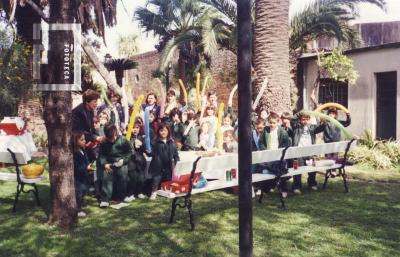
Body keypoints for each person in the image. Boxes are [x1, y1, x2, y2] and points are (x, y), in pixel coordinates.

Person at [97, 124, 133, 207]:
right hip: (109, 163)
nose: (112, 140)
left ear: (116, 133)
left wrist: (123, 160)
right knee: (107, 178)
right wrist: (105, 164)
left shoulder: (123, 140)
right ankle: (105, 199)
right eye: (110, 139)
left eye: (113, 137)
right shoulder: (104, 142)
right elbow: (101, 155)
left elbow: (129, 153)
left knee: (122, 177)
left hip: (121, 162)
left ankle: (121, 197)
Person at [291, 112, 325, 194]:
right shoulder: (296, 127)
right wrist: (301, 113)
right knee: (296, 170)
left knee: (313, 169)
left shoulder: (312, 127)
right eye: (303, 119)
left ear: (309, 120)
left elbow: (322, 127)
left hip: (310, 152)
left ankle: (312, 184)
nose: (305, 121)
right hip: (298, 153)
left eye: (307, 119)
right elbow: (292, 119)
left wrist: (324, 119)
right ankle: (296, 187)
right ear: (300, 120)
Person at [259, 112, 291, 197]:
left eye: (274, 123)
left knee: (281, 170)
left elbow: (286, 142)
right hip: (268, 154)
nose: (272, 124)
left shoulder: (282, 131)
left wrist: (280, 152)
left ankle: (283, 189)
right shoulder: (265, 130)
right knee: (265, 170)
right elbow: (261, 142)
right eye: (270, 122)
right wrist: (265, 151)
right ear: (268, 122)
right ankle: (267, 188)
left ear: (278, 122)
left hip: (279, 155)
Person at [148, 123, 180, 200]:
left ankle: (166, 192)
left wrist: (177, 161)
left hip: (168, 165)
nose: (163, 132)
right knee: (156, 180)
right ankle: (153, 193)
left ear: (168, 131)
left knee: (168, 180)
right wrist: (147, 150)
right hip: (157, 165)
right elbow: (151, 153)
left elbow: (175, 153)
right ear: (158, 131)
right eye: (161, 130)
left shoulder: (171, 142)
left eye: (165, 130)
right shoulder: (155, 142)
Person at [72, 89, 104, 162]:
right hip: (79, 146)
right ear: (87, 102)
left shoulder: (90, 110)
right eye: (94, 102)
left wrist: (96, 139)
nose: (96, 104)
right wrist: (96, 138)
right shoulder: (78, 112)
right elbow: (79, 131)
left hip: (89, 144)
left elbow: (91, 128)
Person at [72, 131, 94, 217]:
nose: (84, 141)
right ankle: (78, 209)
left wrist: (90, 166)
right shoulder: (75, 154)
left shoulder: (83, 150)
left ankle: (81, 202)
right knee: (79, 191)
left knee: (84, 189)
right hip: (78, 178)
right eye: (82, 140)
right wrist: (86, 168)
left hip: (84, 176)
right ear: (75, 141)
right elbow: (77, 167)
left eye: (84, 139)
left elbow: (86, 161)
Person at [127, 118, 148, 200]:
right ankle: (131, 193)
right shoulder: (128, 137)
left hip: (140, 160)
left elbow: (146, 150)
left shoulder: (141, 137)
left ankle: (139, 192)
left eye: (137, 128)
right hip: (131, 161)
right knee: (133, 178)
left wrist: (141, 145)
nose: (135, 130)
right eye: (133, 127)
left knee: (141, 178)